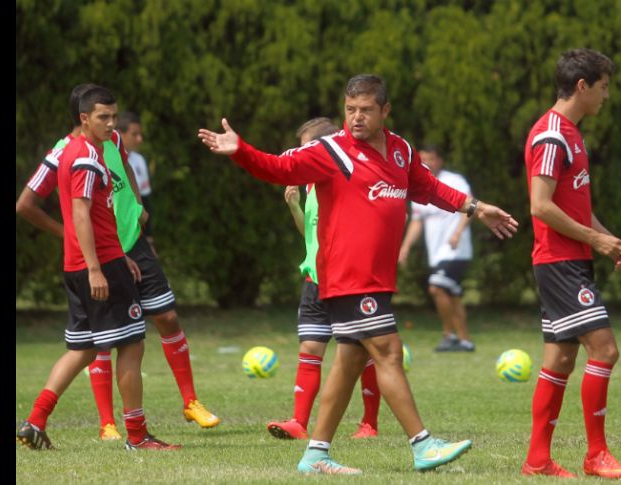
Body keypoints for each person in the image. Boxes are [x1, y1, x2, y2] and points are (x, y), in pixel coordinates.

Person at [199, 74, 518, 474]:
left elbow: (427, 187)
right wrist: (240, 150)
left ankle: (315, 456)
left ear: (385, 110)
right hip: (348, 277)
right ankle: (423, 445)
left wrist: (475, 207)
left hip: (376, 277)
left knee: (349, 361)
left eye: (365, 109)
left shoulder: (400, 150)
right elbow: (280, 168)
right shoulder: (332, 151)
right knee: (387, 351)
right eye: (350, 110)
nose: (356, 118)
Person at [16, 84, 220, 441]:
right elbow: (80, 213)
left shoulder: (93, 150)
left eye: (113, 117)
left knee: (83, 349)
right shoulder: (83, 156)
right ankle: (137, 435)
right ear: (83, 118)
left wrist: (119, 247)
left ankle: (35, 421)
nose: (113, 125)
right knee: (131, 343)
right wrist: (98, 264)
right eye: (104, 118)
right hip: (98, 264)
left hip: (92, 260)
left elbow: (96, 215)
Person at [521, 48, 621, 478]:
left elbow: (574, 204)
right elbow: (540, 206)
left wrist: (604, 238)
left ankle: (537, 459)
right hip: (559, 261)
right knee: (605, 350)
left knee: (559, 362)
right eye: (603, 87)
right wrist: (595, 241)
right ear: (582, 86)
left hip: (569, 258)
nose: (607, 95)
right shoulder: (552, 135)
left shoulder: (570, 133)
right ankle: (596, 454)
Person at [267, 117, 381, 441]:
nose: (301, 157)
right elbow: (311, 235)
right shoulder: (311, 185)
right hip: (316, 281)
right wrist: (293, 207)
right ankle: (299, 423)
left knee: (363, 352)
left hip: (348, 282)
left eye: (306, 150)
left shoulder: (349, 180)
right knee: (310, 348)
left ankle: (369, 424)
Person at [398, 145, 476, 352]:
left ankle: (449, 335)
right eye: (423, 160)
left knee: (436, 287)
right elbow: (417, 221)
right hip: (437, 253)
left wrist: (458, 232)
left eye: (431, 159)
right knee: (452, 293)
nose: (427, 164)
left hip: (456, 250)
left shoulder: (454, 181)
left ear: (440, 160)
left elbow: (470, 207)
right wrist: (405, 247)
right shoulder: (420, 185)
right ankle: (465, 340)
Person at [116, 111, 157, 255]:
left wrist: (149, 240)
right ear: (119, 134)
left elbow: (145, 202)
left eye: (140, 134)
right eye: (134, 134)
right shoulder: (106, 159)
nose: (140, 139)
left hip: (137, 238)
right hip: (114, 239)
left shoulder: (139, 161)